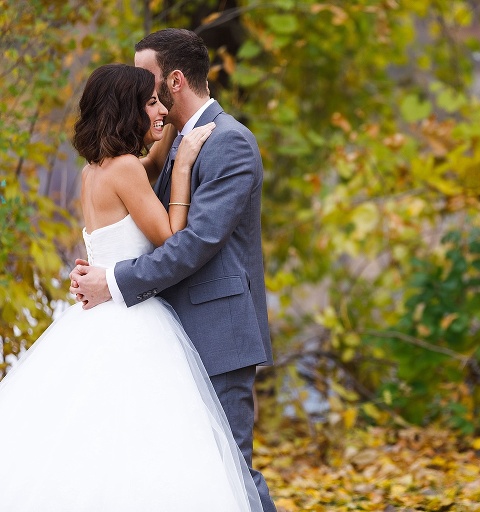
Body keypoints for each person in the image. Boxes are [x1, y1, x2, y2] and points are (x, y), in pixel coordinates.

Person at [0, 63, 264, 511]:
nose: (160, 109)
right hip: (133, 321)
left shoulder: (94, 169)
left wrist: (165, 154)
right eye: (151, 102)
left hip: (97, 316)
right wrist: (181, 169)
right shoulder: (126, 168)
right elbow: (171, 238)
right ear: (129, 109)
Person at [69, 29, 276, 512]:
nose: (146, 93)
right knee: (182, 475)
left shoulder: (230, 143)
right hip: (163, 337)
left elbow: (194, 244)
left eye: (149, 80)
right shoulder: (157, 149)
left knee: (231, 474)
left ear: (175, 81)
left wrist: (113, 280)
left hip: (217, 334)